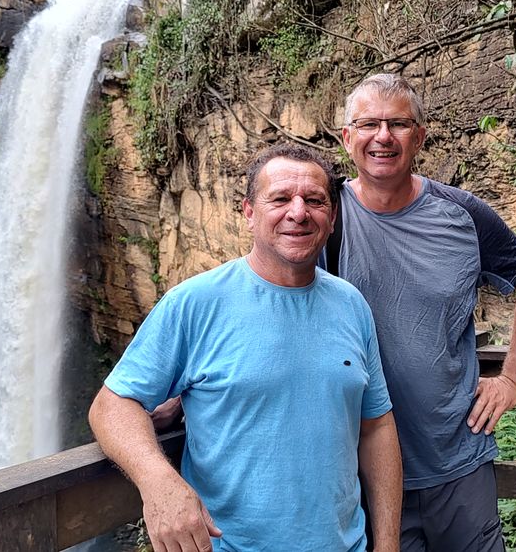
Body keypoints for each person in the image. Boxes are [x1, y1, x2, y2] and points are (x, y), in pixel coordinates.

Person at [89, 143, 403, 552]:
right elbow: (111, 406)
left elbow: (376, 426)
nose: (298, 212)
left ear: (332, 216)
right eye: (279, 199)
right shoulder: (195, 304)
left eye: (314, 200)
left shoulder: (351, 305)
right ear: (249, 212)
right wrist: (159, 481)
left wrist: (388, 544)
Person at [332, 73, 516, 551]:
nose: (383, 137)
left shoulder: (462, 214)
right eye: (368, 124)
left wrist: (513, 379)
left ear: (420, 136)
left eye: (398, 123)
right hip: (357, 465)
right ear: (347, 137)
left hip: (457, 458)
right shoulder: (321, 218)